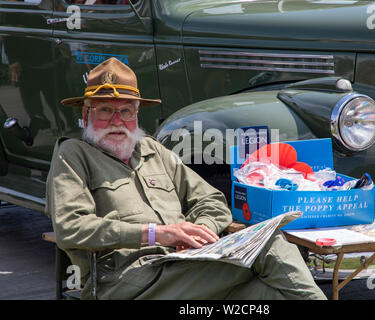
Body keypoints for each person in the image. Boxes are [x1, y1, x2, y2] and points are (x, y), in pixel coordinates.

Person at [45, 57, 327, 300]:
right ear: (86, 114)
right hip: (128, 279)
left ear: (136, 114)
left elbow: (211, 199)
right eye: (105, 109)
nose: (117, 120)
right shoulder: (73, 154)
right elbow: (71, 227)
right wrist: (158, 233)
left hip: (184, 266)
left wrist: (198, 232)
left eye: (126, 110)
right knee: (270, 246)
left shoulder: (151, 149)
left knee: (271, 292)